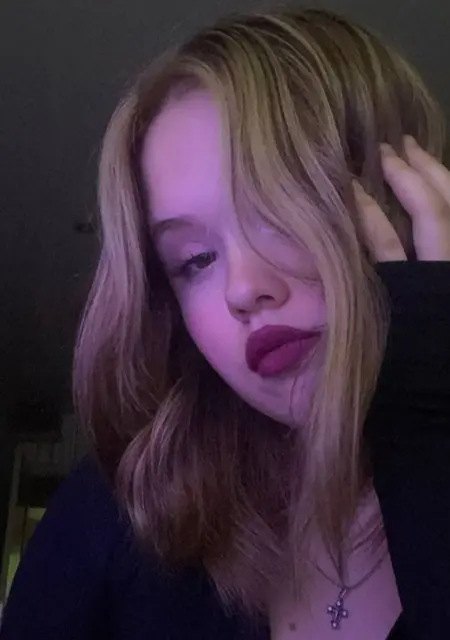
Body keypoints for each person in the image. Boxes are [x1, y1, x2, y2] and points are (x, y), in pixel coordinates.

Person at [1, 7, 450, 640]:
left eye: (280, 209)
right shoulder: (121, 519)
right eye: (194, 261)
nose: (243, 288)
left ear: (409, 198)